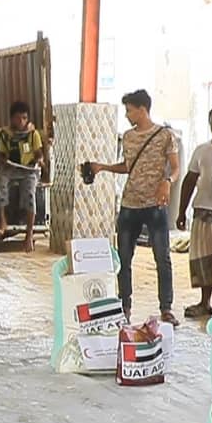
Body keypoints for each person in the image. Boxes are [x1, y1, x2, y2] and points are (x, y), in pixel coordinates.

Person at [88, 89, 180, 324]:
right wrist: (103, 167)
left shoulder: (165, 135)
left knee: (163, 258)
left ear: (142, 109)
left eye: (129, 110)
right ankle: (124, 306)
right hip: (129, 204)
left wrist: (167, 182)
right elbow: (128, 167)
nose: (127, 115)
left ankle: (166, 308)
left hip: (155, 205)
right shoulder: (128, 137)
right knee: (123, 258)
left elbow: (175, 167)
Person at [176, 105, 212, 319]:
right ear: (209, 124)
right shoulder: (201, 150)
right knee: (204, 260)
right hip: (203, 212)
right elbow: (189, 181)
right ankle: (204, 303)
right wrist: (181, 212)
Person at [0, 101, 43, 252]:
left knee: (30, 194)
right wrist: (4, 161)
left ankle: (29, 234)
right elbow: (1, 154)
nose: (21, 121)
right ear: (11, 119)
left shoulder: (33, 134)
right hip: (11, 169)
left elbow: (39, 153)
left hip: (29, 170)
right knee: (1, 182)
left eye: (24, 118)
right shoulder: (5, 134)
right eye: (18, 118)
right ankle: (2, 221)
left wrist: (40, 161)